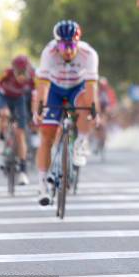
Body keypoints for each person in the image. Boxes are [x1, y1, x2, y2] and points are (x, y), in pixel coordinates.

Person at [32, 20, 99, 206]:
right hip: (54, 88)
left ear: (78, 43)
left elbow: (91, 87)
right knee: (46, 135)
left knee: (84, 104)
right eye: (63, 45)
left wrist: (93, 111)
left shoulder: (89, 54)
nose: (67, 50)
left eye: (71, 45)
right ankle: (42, 184)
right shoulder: (48, 52)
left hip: (77, 88)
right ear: (57, 44)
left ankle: (81, 141)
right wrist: (39, 109)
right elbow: (43, 86)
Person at [0, 55, 35, 185]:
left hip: (19, 99)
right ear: (14, 69)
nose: (21, 76)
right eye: (18, 72)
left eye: (23, 72)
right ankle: (2, 139)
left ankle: (23, 171)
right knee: (4, 113)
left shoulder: (33, 77)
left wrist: (35, 114)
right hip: (4, 96)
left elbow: (36, 96)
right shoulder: (7, 73)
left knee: (20, 134)